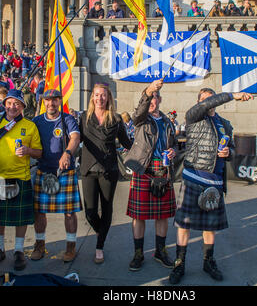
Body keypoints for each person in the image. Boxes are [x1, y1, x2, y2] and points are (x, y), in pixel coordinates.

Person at [169, 88, 253, 285]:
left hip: (214, 181)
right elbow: (207, 104)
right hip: (194, 177)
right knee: (184, 224)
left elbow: (231, 148)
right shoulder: (194, 117)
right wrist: (233, 95)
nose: (209, 102)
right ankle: (179, 263)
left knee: (210, 226)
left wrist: (228, 153)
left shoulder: (224, 124)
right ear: (199, 102)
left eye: (212, 98)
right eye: (205, 100)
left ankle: (208, 261)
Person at [124, 79, 177, 272]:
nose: (153, 101)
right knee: (139, 216)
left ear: (160, 99)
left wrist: (173, 152)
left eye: (155, 98)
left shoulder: (167, 122)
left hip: (163, 170)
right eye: (150, 98)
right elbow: (139, 110)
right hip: (143, 169)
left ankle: (160, 251)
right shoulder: (141, 119)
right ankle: (138, 253)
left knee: (162, 216)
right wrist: (148, 90)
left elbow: (175, 144)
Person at [79, 83, 132, 263]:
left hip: (109, 171)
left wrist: (145, 147)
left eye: (103, 95)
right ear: (92, 97)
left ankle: (99, 246)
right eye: (96, 95)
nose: (100, 98)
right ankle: (102, 230)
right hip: (88, 169)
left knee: (107, 208)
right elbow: (72, 137)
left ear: (108, 97)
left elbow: (127, 143)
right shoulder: (83, 118)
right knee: (90, 213)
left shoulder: (116, 119)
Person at [31, 90, 81, 263]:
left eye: (54, 100)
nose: (51, 103)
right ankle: (39, 245)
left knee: (69, 213)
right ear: (43, 102)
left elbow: (75, 138)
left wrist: (67, 152)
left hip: (65, 172)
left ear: (60, 101)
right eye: (48, 100)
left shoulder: (68, 119)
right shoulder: (36, 121)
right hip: (44, 170)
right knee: (39, 212)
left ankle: (71, 246)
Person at [0, 89, 42, 270]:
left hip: (21, 177)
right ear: (5, 105)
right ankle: (0, 248)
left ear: (23, 107)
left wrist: (28, 151)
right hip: (0, 177)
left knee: (20, 219)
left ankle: (18, 251)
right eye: (9, 103)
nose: (12, 107)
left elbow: (39, 153)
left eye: (16, 104)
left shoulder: (30, 126)